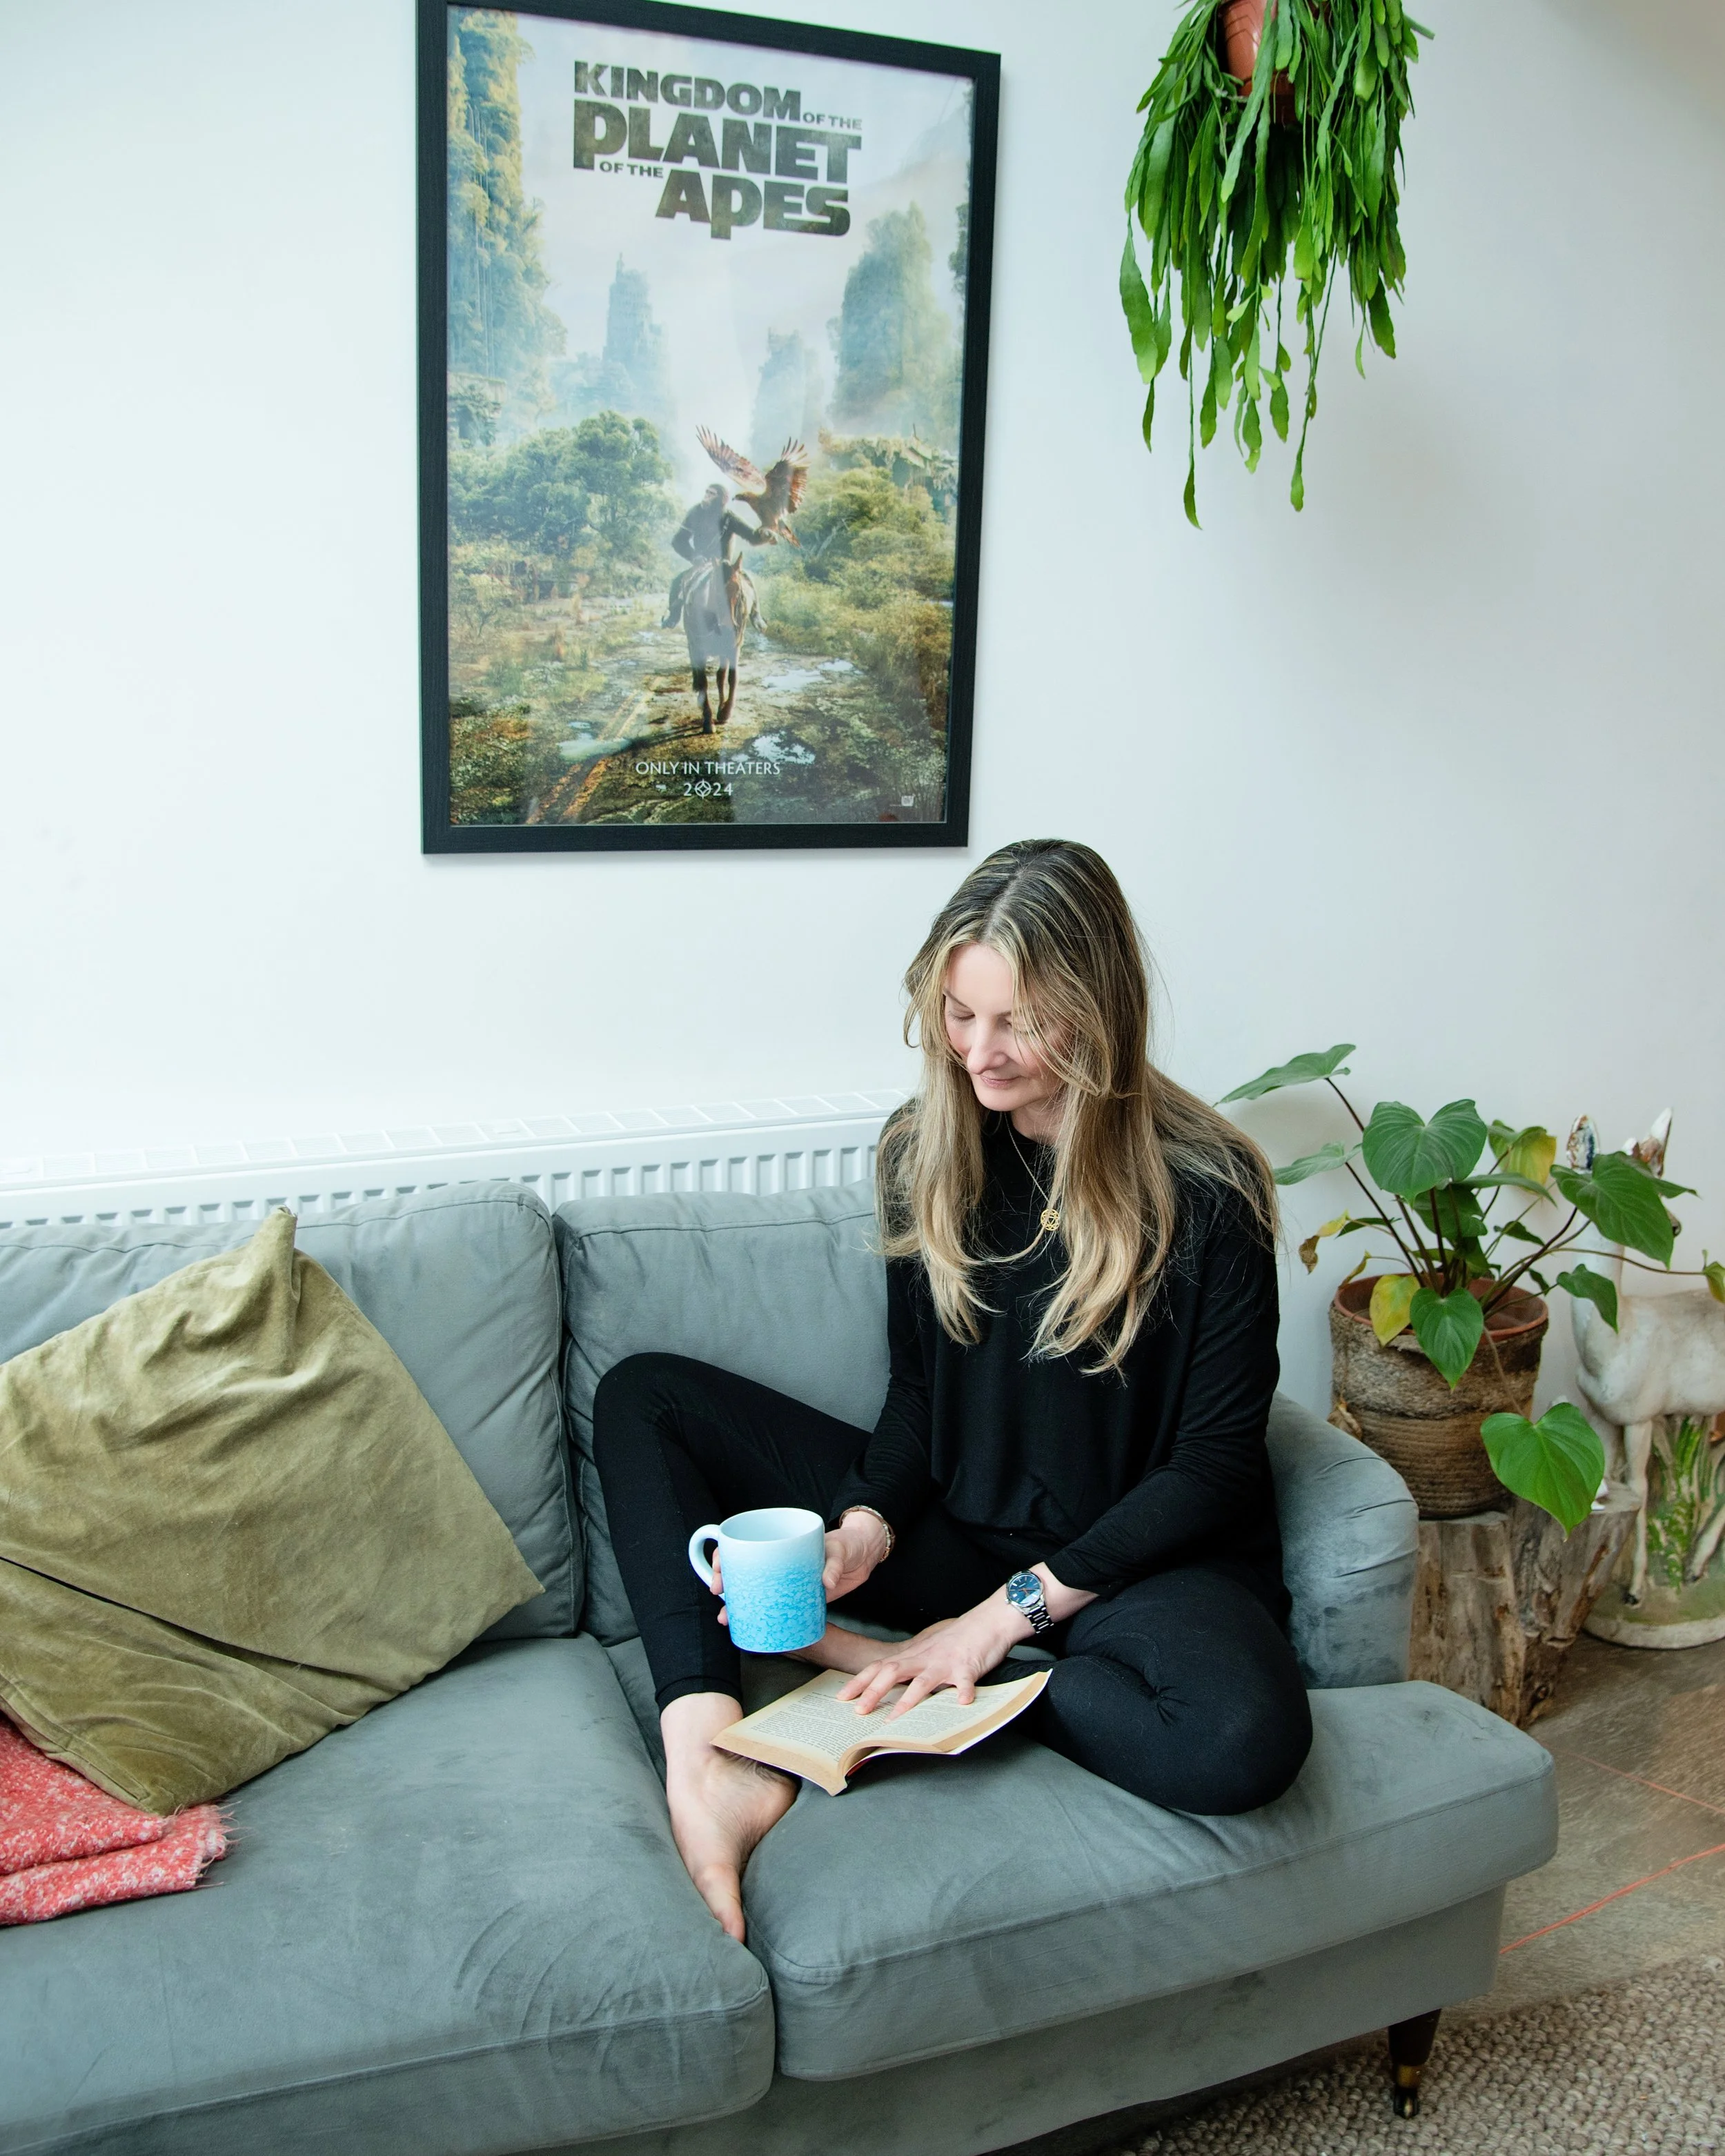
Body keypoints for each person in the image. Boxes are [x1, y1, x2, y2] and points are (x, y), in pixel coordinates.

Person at [593, 840, 1312, 1943]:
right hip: (968, 1535)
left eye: (1017, 1020)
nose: (979, 1052)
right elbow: (922, 1399)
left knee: (1239, 1745)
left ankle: (958, 1670)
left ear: (1097, 1005)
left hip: (1141, 1567)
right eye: (958, 1014)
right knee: (647, 1397)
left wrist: (992, 1628)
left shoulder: (1211, 1190)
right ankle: (710, 1751)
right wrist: (870, 1524)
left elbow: (1212, 1468)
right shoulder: (926, 1150)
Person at [662, 482, 773, 629]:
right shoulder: (695, 513)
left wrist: (764, 535)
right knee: (677, 582)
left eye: (711, 494)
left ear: (721, 499)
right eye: (706, 492)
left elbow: (752, 536)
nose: (706, 497)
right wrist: (694, 557)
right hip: (701, 564)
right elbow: (678, 541)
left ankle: (756, 615)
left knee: (748, 579)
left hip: (724, 565)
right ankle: (673, 617)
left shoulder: (729, 517)